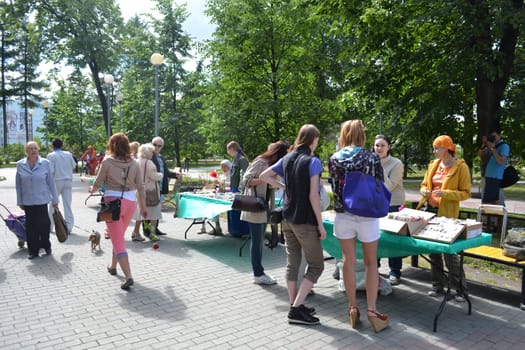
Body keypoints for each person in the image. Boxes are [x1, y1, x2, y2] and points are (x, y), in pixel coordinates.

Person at [260, 125, 325, 326]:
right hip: (304, 220)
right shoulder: (313, 162)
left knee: (293, 263)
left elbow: (264, 176)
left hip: (287, 218)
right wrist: (320, 225)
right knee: (316, 265)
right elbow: (313, 196)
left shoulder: (287, 158)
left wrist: (283, 186)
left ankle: (294, 304)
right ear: (313, 139)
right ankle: (296, 309)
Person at [328, 120, 389, 333]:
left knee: (348, 261)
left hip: (344, 215)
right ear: (362, 134)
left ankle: (353, 308)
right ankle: (372, 310)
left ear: (344, 134)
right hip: (367, 215)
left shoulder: (335, 158)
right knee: (372, 263)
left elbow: (334, 187)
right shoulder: (372, 157)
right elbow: (378, 184)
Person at [90, 133, 147, 290]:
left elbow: (98, 182)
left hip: (112, 205)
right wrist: (143, 206)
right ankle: (113, 266)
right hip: (130, 203)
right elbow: (140, 186)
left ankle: (128, 276)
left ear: (112, 145)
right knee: (118, 236)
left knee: (118, 240)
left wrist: (92, 189)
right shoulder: (134, 163)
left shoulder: (107, 161)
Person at [419, 135, 471, 302]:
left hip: (447, 215)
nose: (434, 151)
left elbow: (465, 193)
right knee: (433, 251)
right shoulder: (433, 164)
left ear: (447, 149)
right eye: (434, 148)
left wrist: (446, 194)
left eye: (437, 148)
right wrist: (425, 192)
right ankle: (437, 285)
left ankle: (460, 290)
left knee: (449, 253)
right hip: (430, 211)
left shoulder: (461, 167)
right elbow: (424, 185)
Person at [240, 141, 289, 285]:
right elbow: (246, 180)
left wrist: (273, 181)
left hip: (263, 206)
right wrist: (263, 178)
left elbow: (270, 184)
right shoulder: (261, 161)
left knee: (259, 240)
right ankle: (258, 274)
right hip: (255, 206)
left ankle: (259, 272)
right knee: (257, 241)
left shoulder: (270, 164)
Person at [16, 141, 59, 259]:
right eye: (30, 148)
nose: (33, 150)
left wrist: (55, 199)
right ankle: (33, 251)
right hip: (28, 201)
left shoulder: (45, 163)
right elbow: (18, 185)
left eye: (35, 148)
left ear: (38, 149)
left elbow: (51, 182)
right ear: (26, 151)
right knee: (31, 227)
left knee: (44, 225)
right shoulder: (20, 164)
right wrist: (20, 201)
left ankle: (46, 246)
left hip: (42, 200)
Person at [373, 134, 405, 285]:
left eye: (382, 145)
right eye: (377, 145)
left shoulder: (396, 163)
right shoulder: (370, 161)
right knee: (375, 236)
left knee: (393, 239)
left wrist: (378, 166)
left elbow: (389, 186)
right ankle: (374, 268)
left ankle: (395, 271)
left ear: (389, 147)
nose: (379, 148)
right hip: (375, 204)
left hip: (393, 203)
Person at [144, 136, 181, 237]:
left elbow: (166, 172)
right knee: (150, 209)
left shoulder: (161, 157)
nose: (156, 147)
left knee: (157, 209)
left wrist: (175, 175)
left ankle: (155, 228)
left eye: (159, 146)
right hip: (151, 188)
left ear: (162, 147)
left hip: (160, 188)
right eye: (154, 145)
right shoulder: (148, 157)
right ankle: (147, 230)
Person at [131, 143, 163, 242]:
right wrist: (160, 175)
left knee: (140, 213)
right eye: (151, 152)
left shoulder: (136, 162)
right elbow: (153, 176)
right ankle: (152, 234)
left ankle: (135, 232)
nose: (152, 153)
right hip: (150, 191)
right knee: (154, 214)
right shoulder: (149, 163)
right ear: (147, 152)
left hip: (138, 190)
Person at [47, 138, 77, 234]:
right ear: (62, 145)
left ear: (53, 146)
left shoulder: (51, 156)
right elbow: (74, 166)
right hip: (68, 181)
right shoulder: (68, 154)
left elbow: (50, 171)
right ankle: (69, 227)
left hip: (56, 181)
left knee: (53, 204)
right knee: (67, 204)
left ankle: (50, 226)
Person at [481, 129, 509, 206]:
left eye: (495, 136)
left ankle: (497, 217)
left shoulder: (504, 146)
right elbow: (480, 154)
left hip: (495, 177)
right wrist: (484, 144)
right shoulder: (492, 146)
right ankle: (490, 217)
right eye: (491, 136)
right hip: (488, 177)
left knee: (492, 202)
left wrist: (493, 149)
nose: (493, 138)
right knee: (487, 201)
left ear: (499, 135)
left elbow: (501, 162)